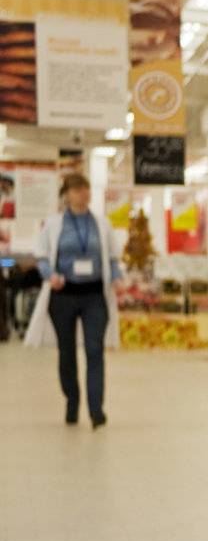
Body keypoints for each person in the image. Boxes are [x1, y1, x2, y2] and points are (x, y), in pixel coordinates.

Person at [23, 173, 122, 427]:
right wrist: (50, 275)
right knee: (67, 352)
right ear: (67, 194)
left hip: (94, 296)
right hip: (63, 296)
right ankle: (72, 400)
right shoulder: (54, 224)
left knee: (94, 349)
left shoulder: (102, 224)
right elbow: (42, 257)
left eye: (86, 189)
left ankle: (96, 409)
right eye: (77, 189)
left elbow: (112, 257)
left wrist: (117, 278)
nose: (83, 194)